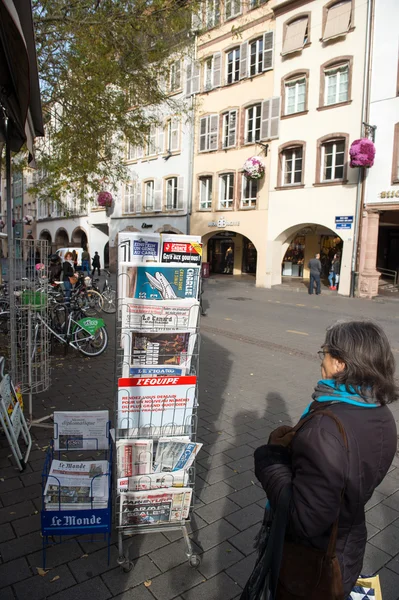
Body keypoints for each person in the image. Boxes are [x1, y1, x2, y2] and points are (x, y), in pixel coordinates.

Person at [254, 321, 397, 598]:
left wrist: (271, 461)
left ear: (340, 364)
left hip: (313, 561)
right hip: (349, 542)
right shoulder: (381, 412)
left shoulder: (325, 429)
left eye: (325, 353)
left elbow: (305, 520)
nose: (322, 361)